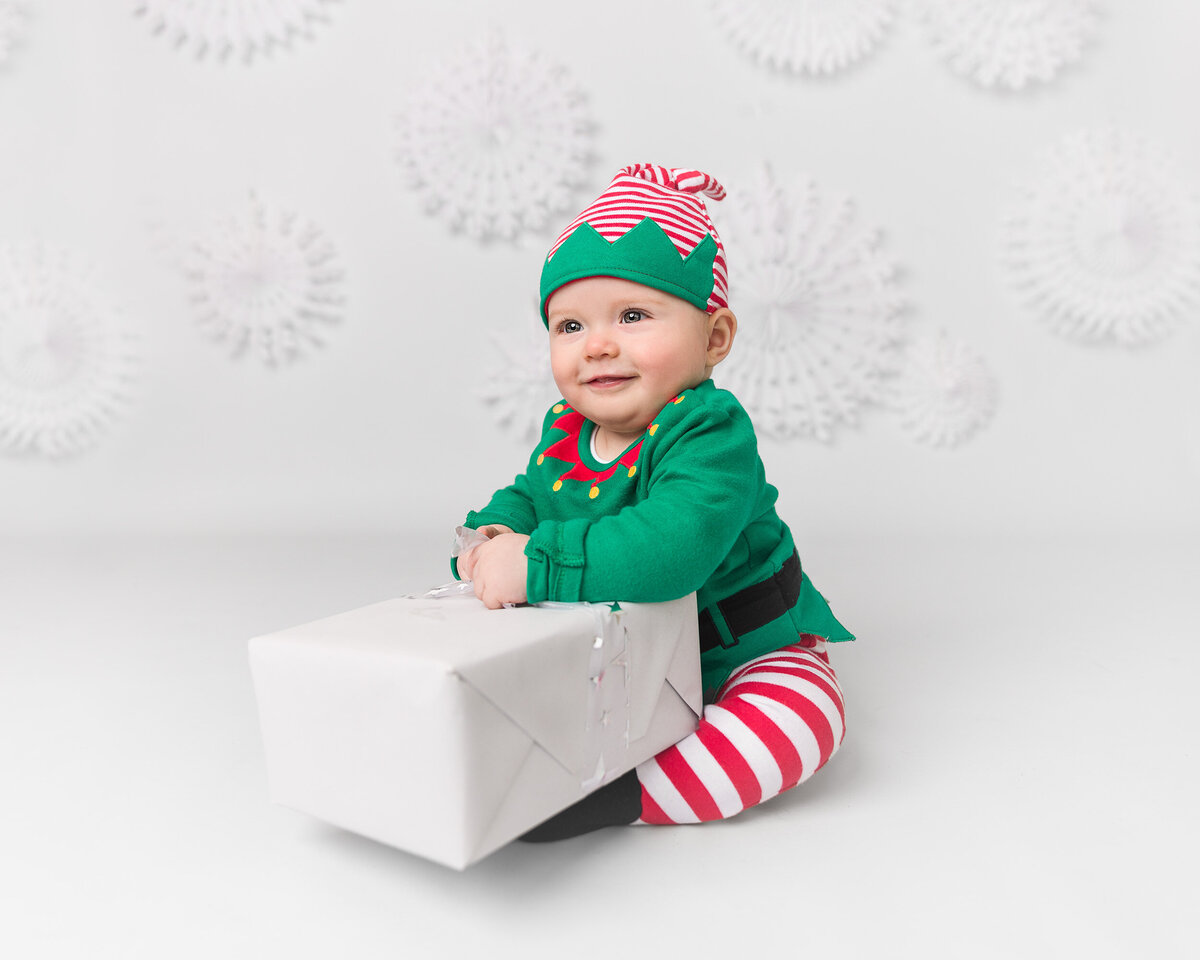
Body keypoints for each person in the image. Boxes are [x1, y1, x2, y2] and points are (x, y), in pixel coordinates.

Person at [453, 164, 854, 839]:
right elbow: (533, 495)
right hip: (631, 657)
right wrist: (494, 535)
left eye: (633, 316)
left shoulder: (710, 432)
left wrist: (537, 563)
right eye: (569, 325)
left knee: (800, 718)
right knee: (528, 681)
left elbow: (672, 548)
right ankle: (537, 764)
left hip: (736, 650)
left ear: (714, 338)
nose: (597, 345)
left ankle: (626, 795)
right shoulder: (567, 429)